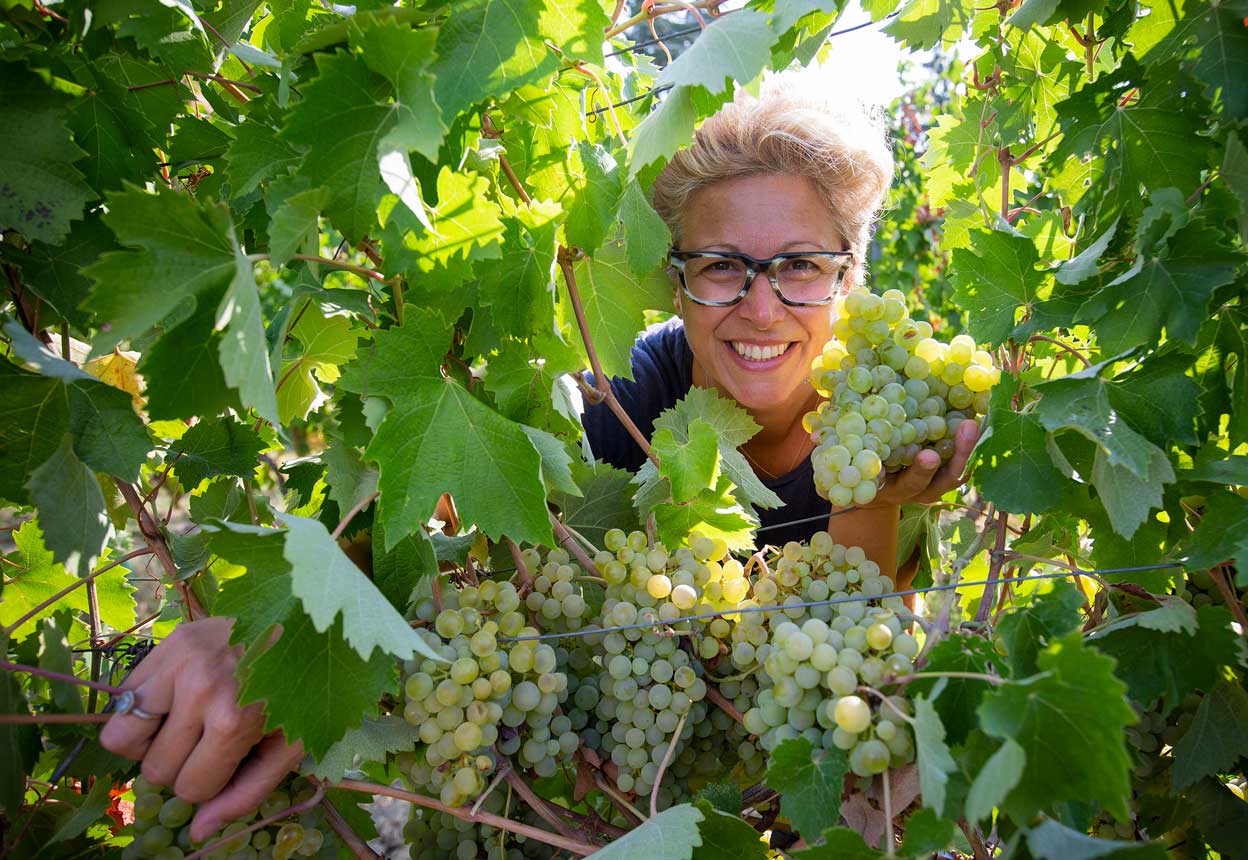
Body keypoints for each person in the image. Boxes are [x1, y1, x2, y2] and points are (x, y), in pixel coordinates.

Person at [99, 68, 977, 842]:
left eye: (800, 265)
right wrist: (292, 630)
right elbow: (433, 510)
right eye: (719, 266)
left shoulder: (901, 418)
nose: (760, 306)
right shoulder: (612, 400)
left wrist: (884, 496)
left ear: (848, 277)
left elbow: (849, 686)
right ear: (672, 275)